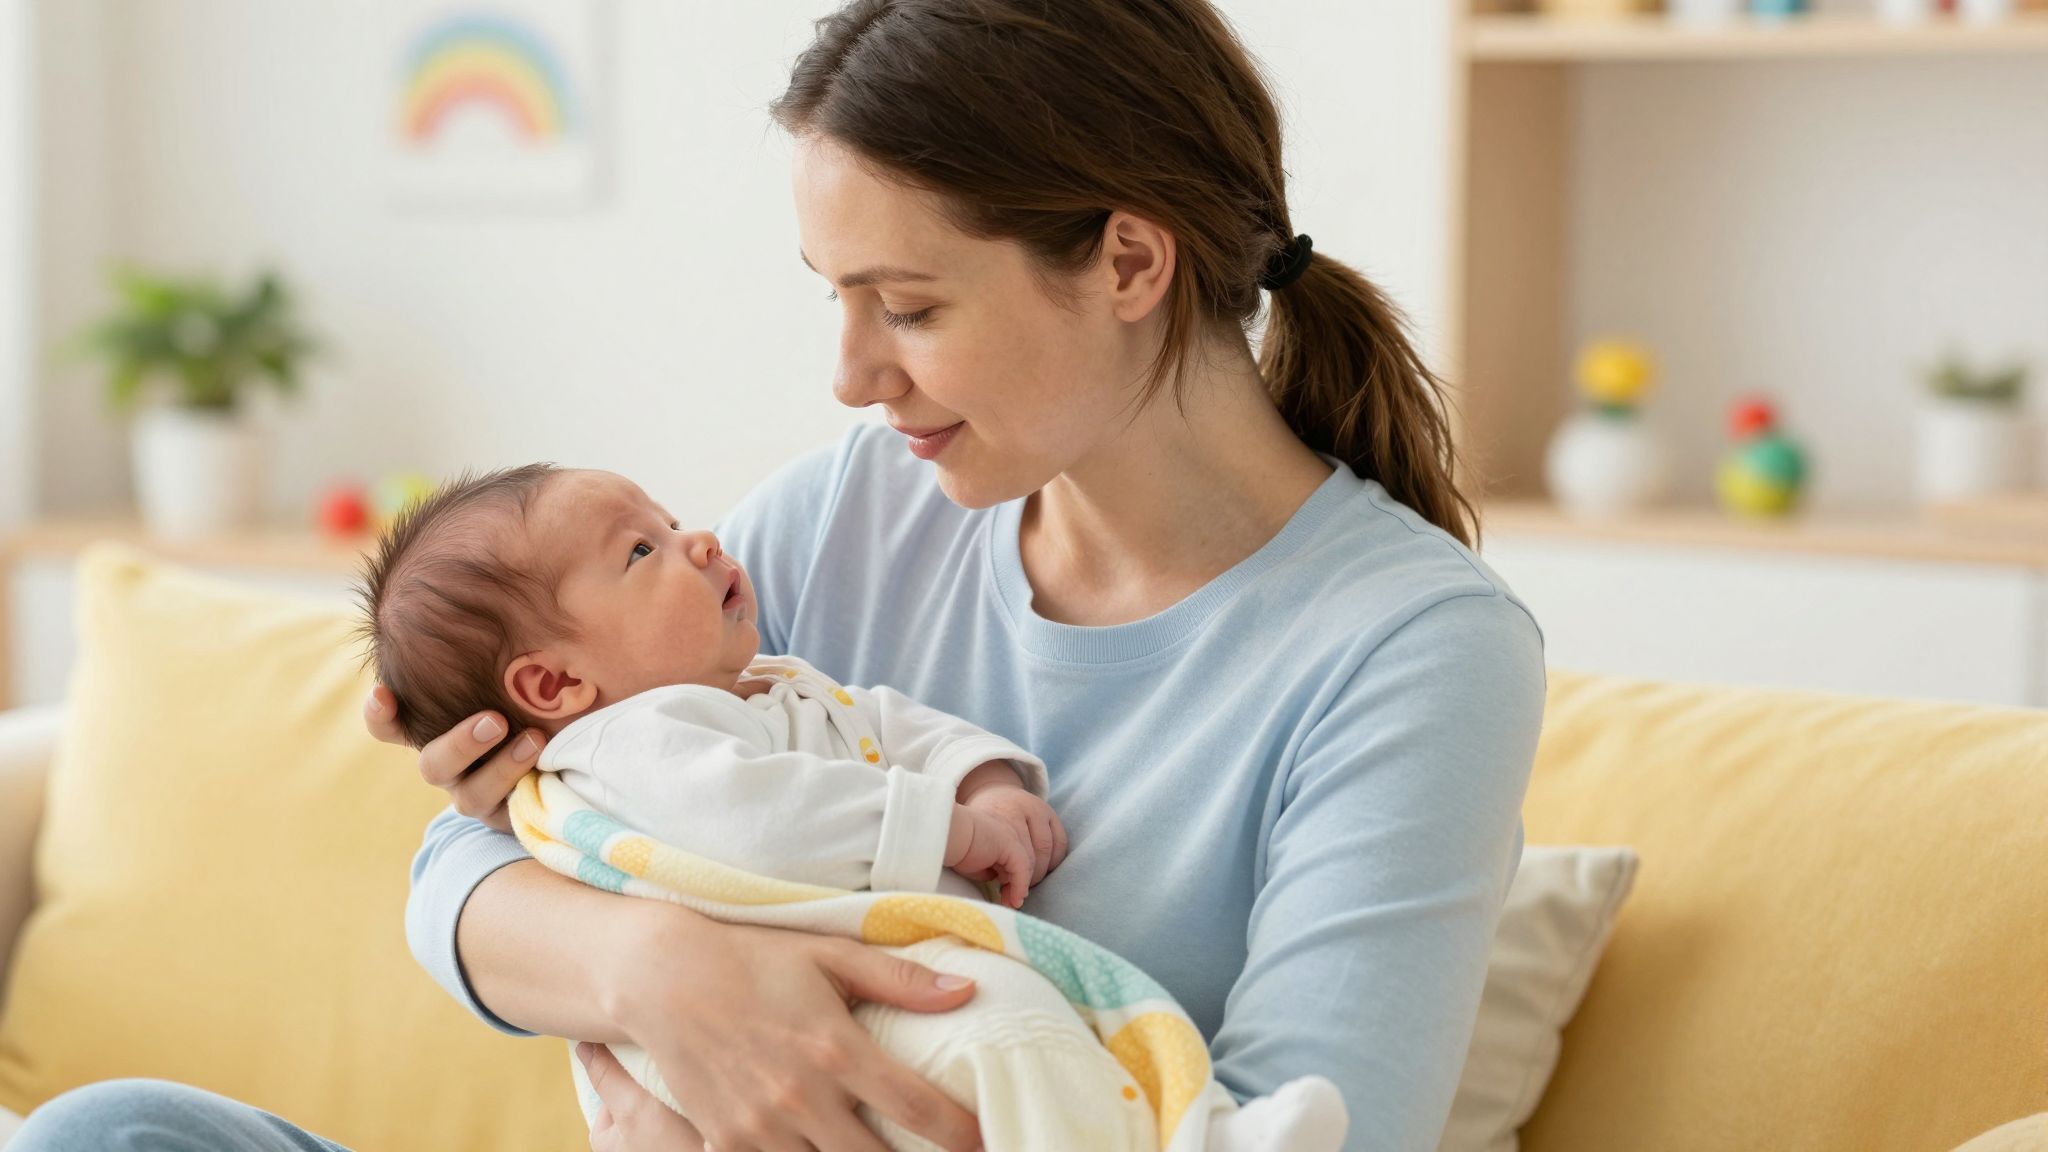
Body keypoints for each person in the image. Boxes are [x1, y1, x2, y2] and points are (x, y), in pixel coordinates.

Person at [11, 1, 1544, 1150]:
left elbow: (1316, 1118)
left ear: (1132, 266)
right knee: (114, 1133)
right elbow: (458, 880)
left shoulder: (1410, 647)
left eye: (908, 305)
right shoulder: (857, 511)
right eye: (837, 301)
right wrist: (660, 969)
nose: (853, 375)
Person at [353, 462, 1350, 1150]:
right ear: (554, 687)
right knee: (1013, 1040)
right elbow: (759, 821)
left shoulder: (764, 682)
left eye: (911, 304)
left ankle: (1201, 1125)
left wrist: (981, 779)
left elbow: (886, 725)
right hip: (834, 1020)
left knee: (1034, 1038)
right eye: (641, 552)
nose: (697, 540)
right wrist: (950, 829)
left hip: (863, 1004)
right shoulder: (629, 743)